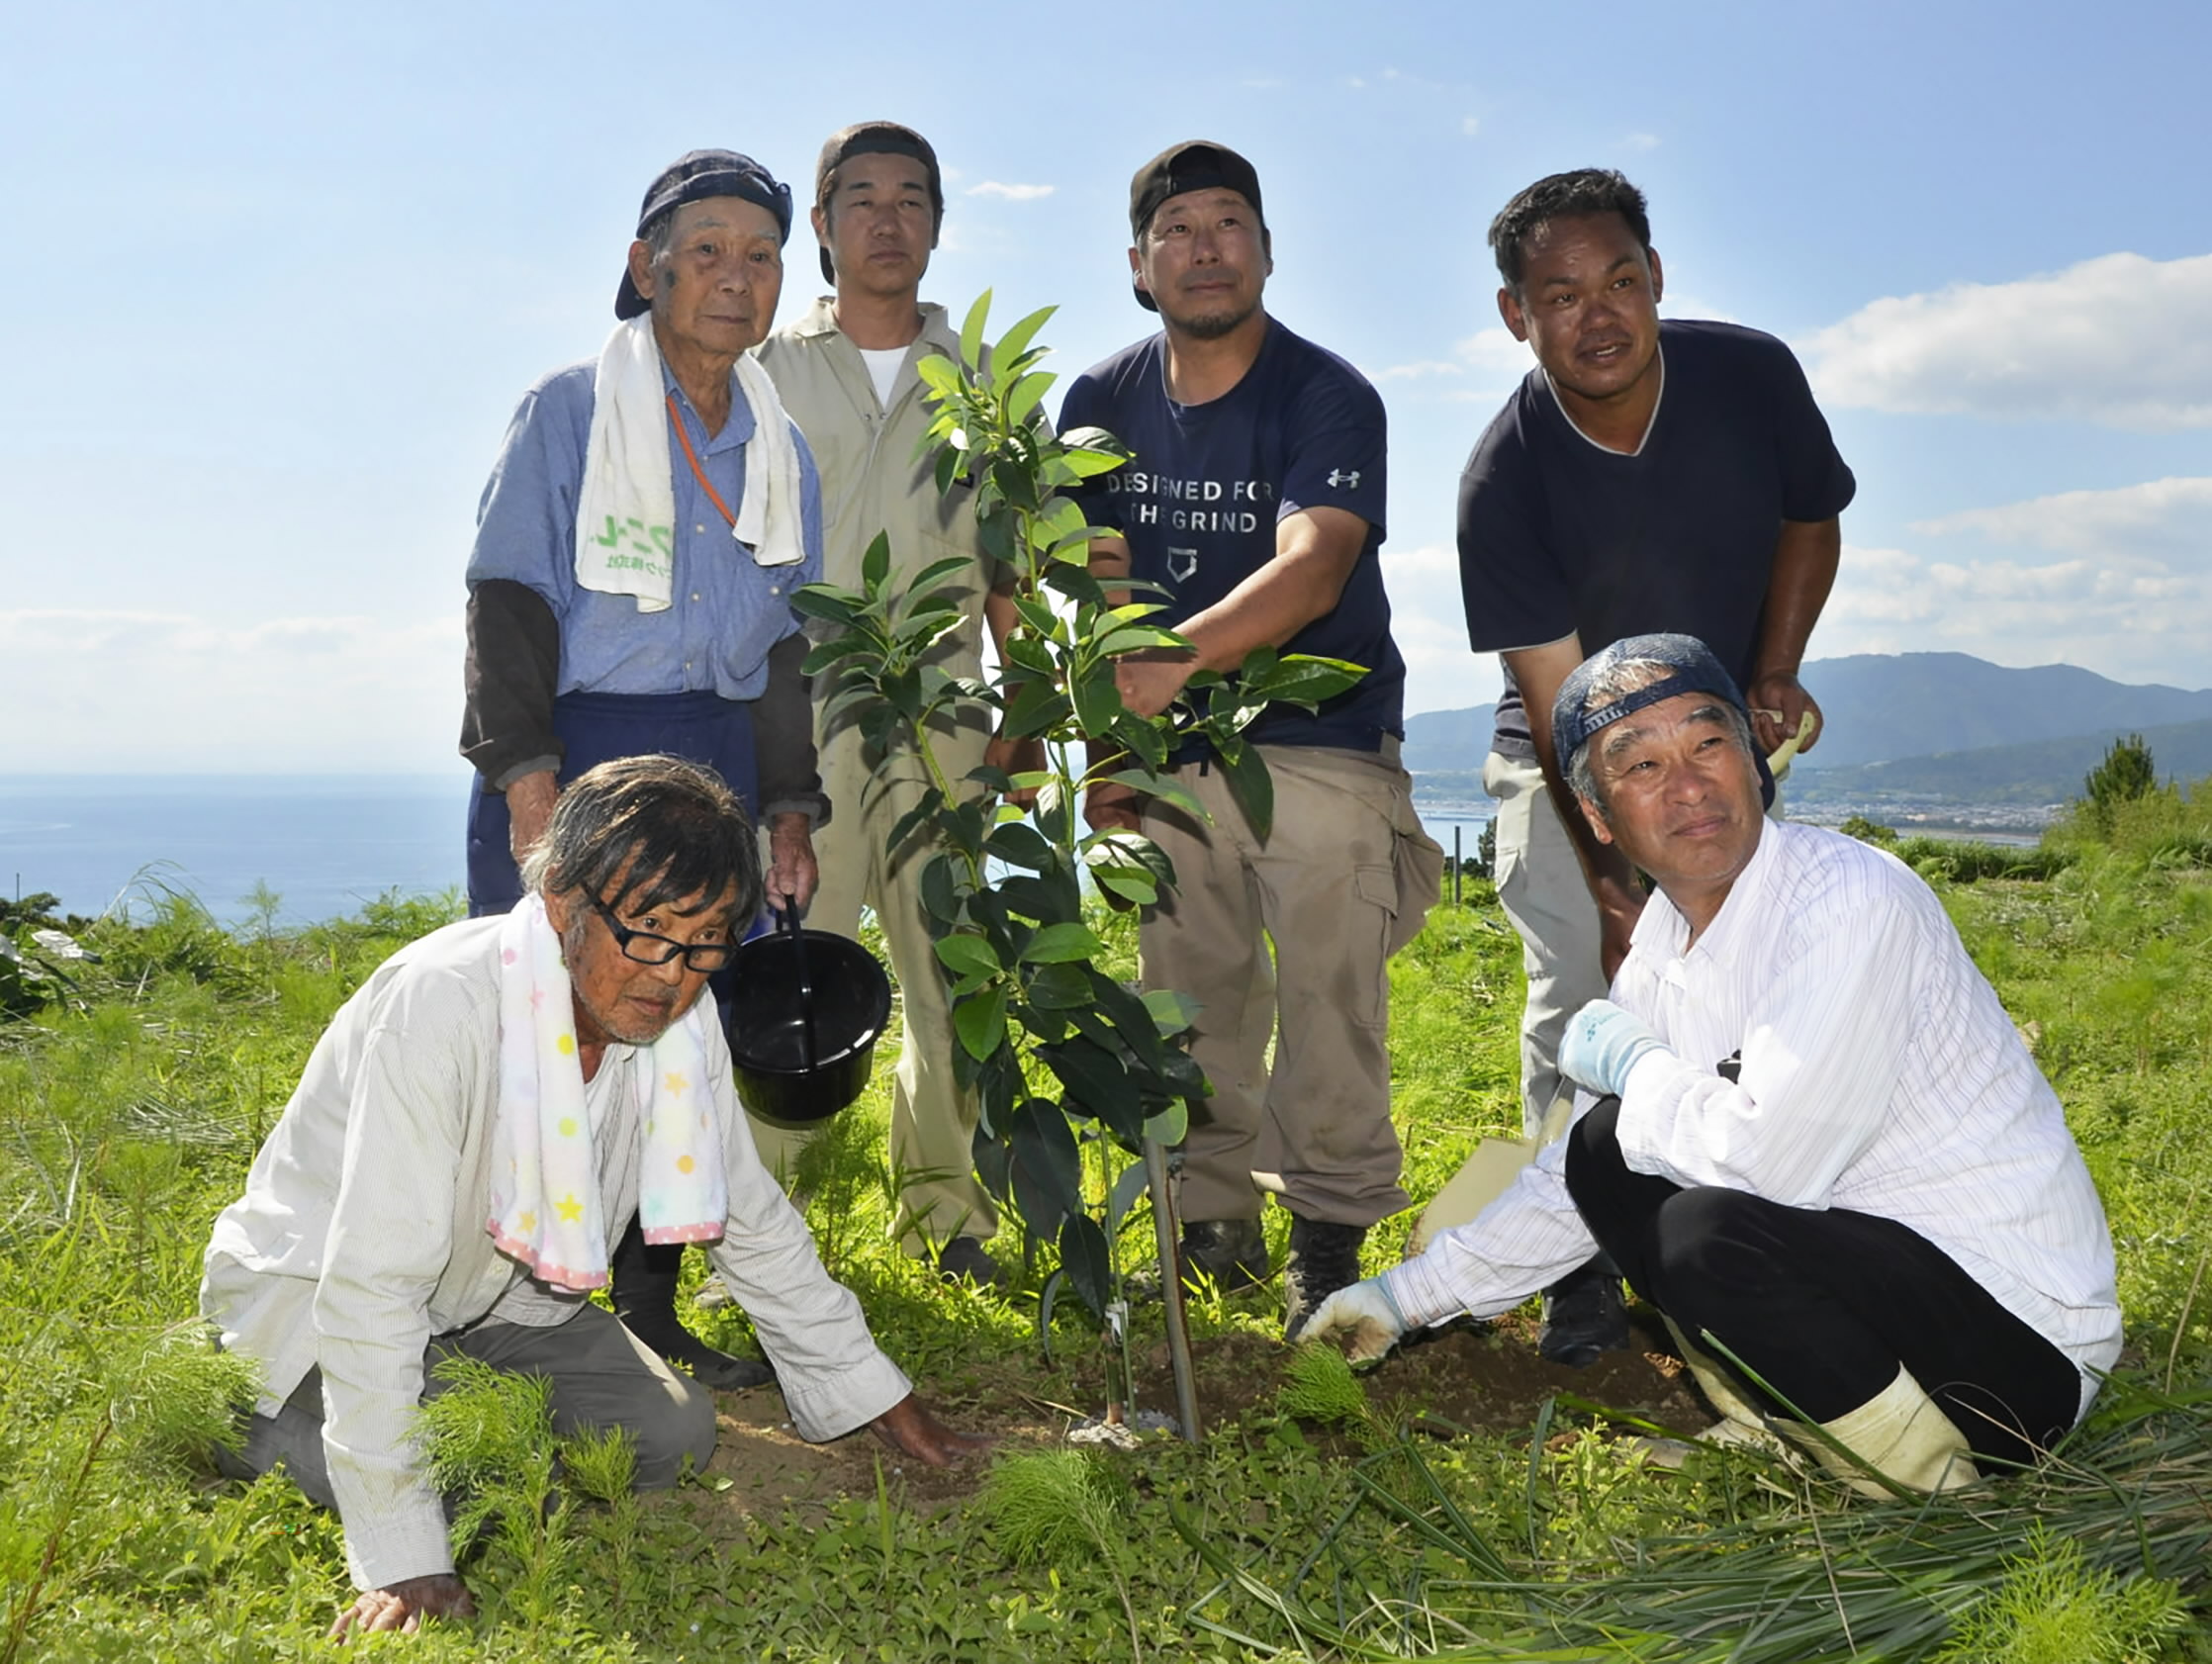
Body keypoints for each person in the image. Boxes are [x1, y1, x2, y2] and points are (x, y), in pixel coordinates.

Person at [1301, 636, 2121, 1496]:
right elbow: (1570, 1189)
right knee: (1602, 1149)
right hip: (1878, 1290)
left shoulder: (1849, 900)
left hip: (2014, 1351)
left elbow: (1774, 1165)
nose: (1688, 786)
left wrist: (1640, 1062)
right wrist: (1402, 1301)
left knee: (1705, 1235)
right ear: (1599, 817)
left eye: (1708, 744)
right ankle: (1797, 1427)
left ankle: (1928, 1487)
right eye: (1642, 765)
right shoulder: (1660, 953)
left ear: (1754, 763)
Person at [203, 756, 981, 1639]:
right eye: (647, 932)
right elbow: (373, 1283)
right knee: (472, 1493)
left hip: (507, 1302)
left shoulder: (681, 1028)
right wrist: (407, 1554)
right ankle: (234, 1413)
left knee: (670, 1436)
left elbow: (752, 1221)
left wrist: (875, 1394)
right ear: (564, 905)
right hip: (318, 1292)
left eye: (705, 943)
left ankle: (448, 1406)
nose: (672, 976)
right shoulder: (443, 1007)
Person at [1453, 168, 1857, 1363]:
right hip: (1564, 763)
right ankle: (1576, 1262)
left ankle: (1733, 1249)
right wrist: (1619, 892)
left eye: (1620, 280)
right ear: (1514, 314)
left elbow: (1809, 515)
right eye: (1561, 294)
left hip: (1710, 745)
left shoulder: (1751, 376)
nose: (1599, 315)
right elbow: (1552, 694)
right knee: (1584, 991)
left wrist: (1772, 669)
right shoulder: (1501, 477)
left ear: (1658, 279)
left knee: (1746, 997)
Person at [458, 148, 828, 1386]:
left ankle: (646, 1310)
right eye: (708, 250)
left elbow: (784, 650)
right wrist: (527, 783)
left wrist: (788, 807)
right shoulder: (571, 409)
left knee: (684, 1028)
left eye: (761, 255)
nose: (736, 277)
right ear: (645, 268)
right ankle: (503, 1311)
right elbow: (507, 601)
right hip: (582, 750)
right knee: (548, 1031)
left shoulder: (781, 449)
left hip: (714, 751)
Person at [1059, 140, 1441, 1335]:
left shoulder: (1325, 393)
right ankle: (1205, 1221)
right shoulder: (1097, 406)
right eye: (1178, 228)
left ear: (1266, 251)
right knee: (1188, 992)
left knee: (1330, 992)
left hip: (1317, 734)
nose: (1206, 244)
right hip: (1173, 751)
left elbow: (1315, 564)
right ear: (1139, 265)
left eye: (1230, 222)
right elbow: (1098, 591)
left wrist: (1182, 662)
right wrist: (1116, 753)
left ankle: (1327, 1237)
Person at [754, 122, 1031, 1284]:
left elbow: (1011, 564)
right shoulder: (766, 368)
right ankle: (754, 1227)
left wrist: (1023, 710)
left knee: (948, 968)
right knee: (784, 961)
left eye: (910, 198)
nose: (885, 218)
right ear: (819, 224)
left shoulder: (981, 381)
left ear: (936, 223)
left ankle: (946, 1217)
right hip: (800, 716)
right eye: (858, 197)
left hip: (944, 716)